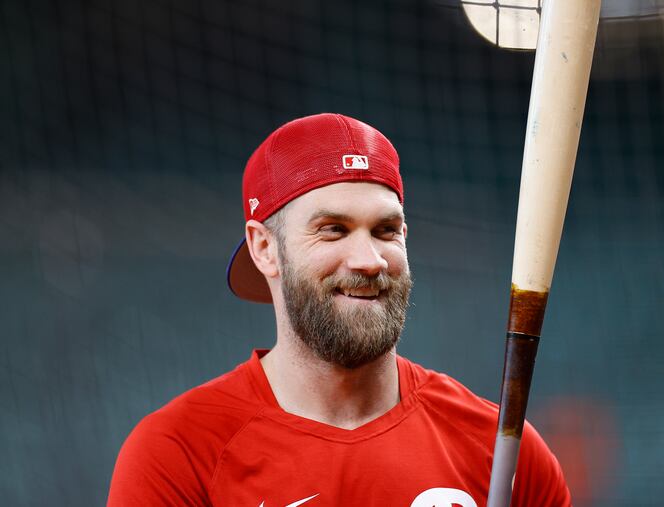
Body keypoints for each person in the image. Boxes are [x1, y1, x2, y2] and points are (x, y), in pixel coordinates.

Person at [107, 113, 571, 506]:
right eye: (333, 229)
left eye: (386, 231)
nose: (369, 261)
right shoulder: (179, 452)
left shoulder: (503, 451)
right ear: (264, 248)